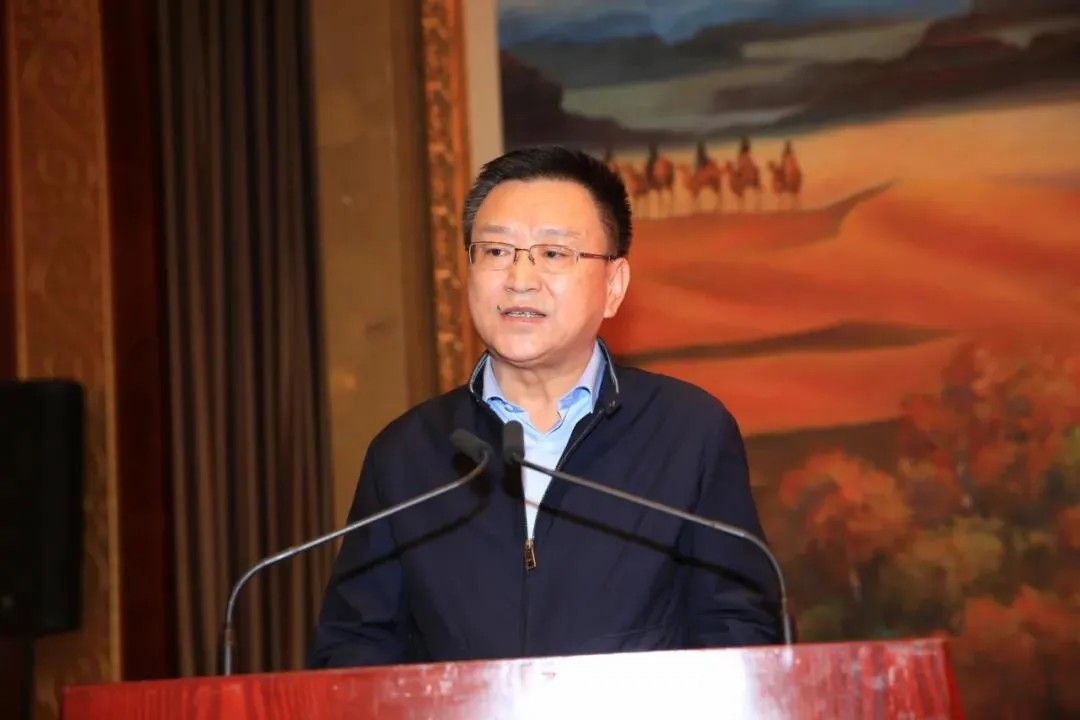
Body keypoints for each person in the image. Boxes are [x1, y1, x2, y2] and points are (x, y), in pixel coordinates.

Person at [307, 145, 781, 668]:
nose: (520, 279)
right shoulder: (404, 454)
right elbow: (352, 651)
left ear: (614, 286)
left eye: (554, 254)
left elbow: (743, 635)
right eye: (496, 251)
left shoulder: (689, 433)